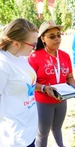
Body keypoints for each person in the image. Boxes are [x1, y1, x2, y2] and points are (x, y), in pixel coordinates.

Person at [28, 20, 75, 147]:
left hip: (61, 101)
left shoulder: (65, 56)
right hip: (43, 102)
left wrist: (72, 88)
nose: (57, 39)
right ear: (43, 38)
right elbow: (28, 83)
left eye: (59, 35)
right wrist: (43, 88)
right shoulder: (34, 57)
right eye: (52, 36)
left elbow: (70, 76)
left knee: (57, 128)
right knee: (43, 134)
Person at [0, 18, 38, 147]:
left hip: (28, 132)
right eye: (33, 44)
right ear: (16, 43)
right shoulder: (3, 64)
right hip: (14, 138)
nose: (35, 47)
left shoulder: (21, 57)